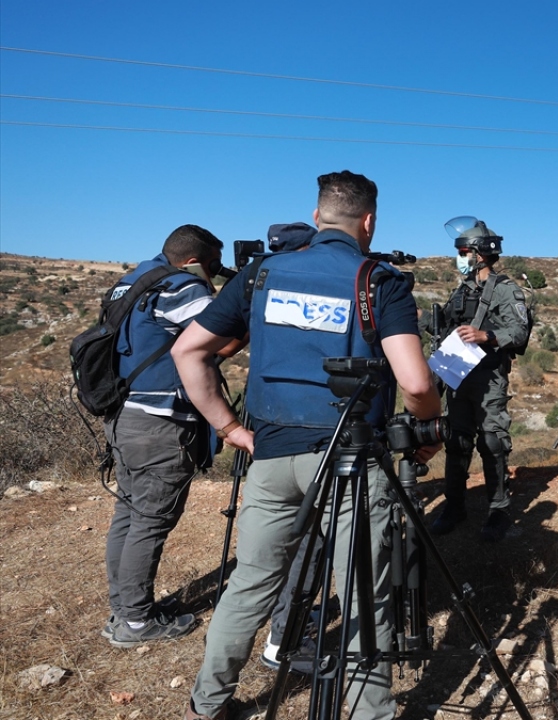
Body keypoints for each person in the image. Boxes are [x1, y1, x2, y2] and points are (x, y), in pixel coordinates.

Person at [173, 171, 443, 720]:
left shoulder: (261, 274)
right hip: (350, 458)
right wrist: (427, 431)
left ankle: (208, 703)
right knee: (365, 590)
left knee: (250, 582)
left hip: (270, 455)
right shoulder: (378, 281)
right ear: (369, 222)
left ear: (317, 217)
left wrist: (231, 431)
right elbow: (415, 383)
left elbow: (189, 352)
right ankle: (370, 712)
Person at [101, 224, 228, 648]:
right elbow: (217, 343)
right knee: (151, 521)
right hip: (159, 425)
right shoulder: (182, 286)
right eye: (213, 265)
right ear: (194, 260)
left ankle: (124, 610)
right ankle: (135, 622)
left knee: (131, 513)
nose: (215, 273)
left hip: (124, 415)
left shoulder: (134, 280)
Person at [428, 216, 531, 542]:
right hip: (457, 373)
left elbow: (518, 331)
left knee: (492, 442)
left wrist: (485, 335)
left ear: (480, 254)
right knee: (457, 443)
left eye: (462, 251)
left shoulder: (504, 290)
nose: (458, 257)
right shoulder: (460, 291)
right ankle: (454, 505)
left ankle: (499, 509)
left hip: (487, 378)